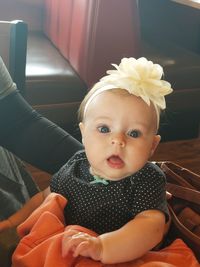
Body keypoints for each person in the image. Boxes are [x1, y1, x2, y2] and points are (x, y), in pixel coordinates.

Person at [0, 57, 173, 264]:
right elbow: (46, 196)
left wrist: (102, 246)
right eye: (104, 129)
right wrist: (14, 221)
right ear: (83, 134)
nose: (117, 140)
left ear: (152, 146)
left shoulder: (146, 179)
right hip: (72, 249)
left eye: (134, 133)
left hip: (123, 257)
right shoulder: (76, 164)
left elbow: (150, 227)